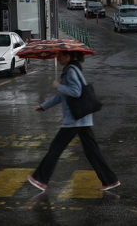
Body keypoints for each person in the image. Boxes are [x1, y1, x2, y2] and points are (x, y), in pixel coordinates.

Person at [27, 51, 120, 191]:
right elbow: (61, 96)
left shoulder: (70, 71)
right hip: (82, 118)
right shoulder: (71, 69)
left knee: (56, 148)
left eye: (59, 56)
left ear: (67, 56)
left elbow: (76, 92)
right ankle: (110, 180)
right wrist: (43, 106)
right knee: (92, 152)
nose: (57, 58)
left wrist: (59, 85)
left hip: (74, 118)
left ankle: (40, 179)